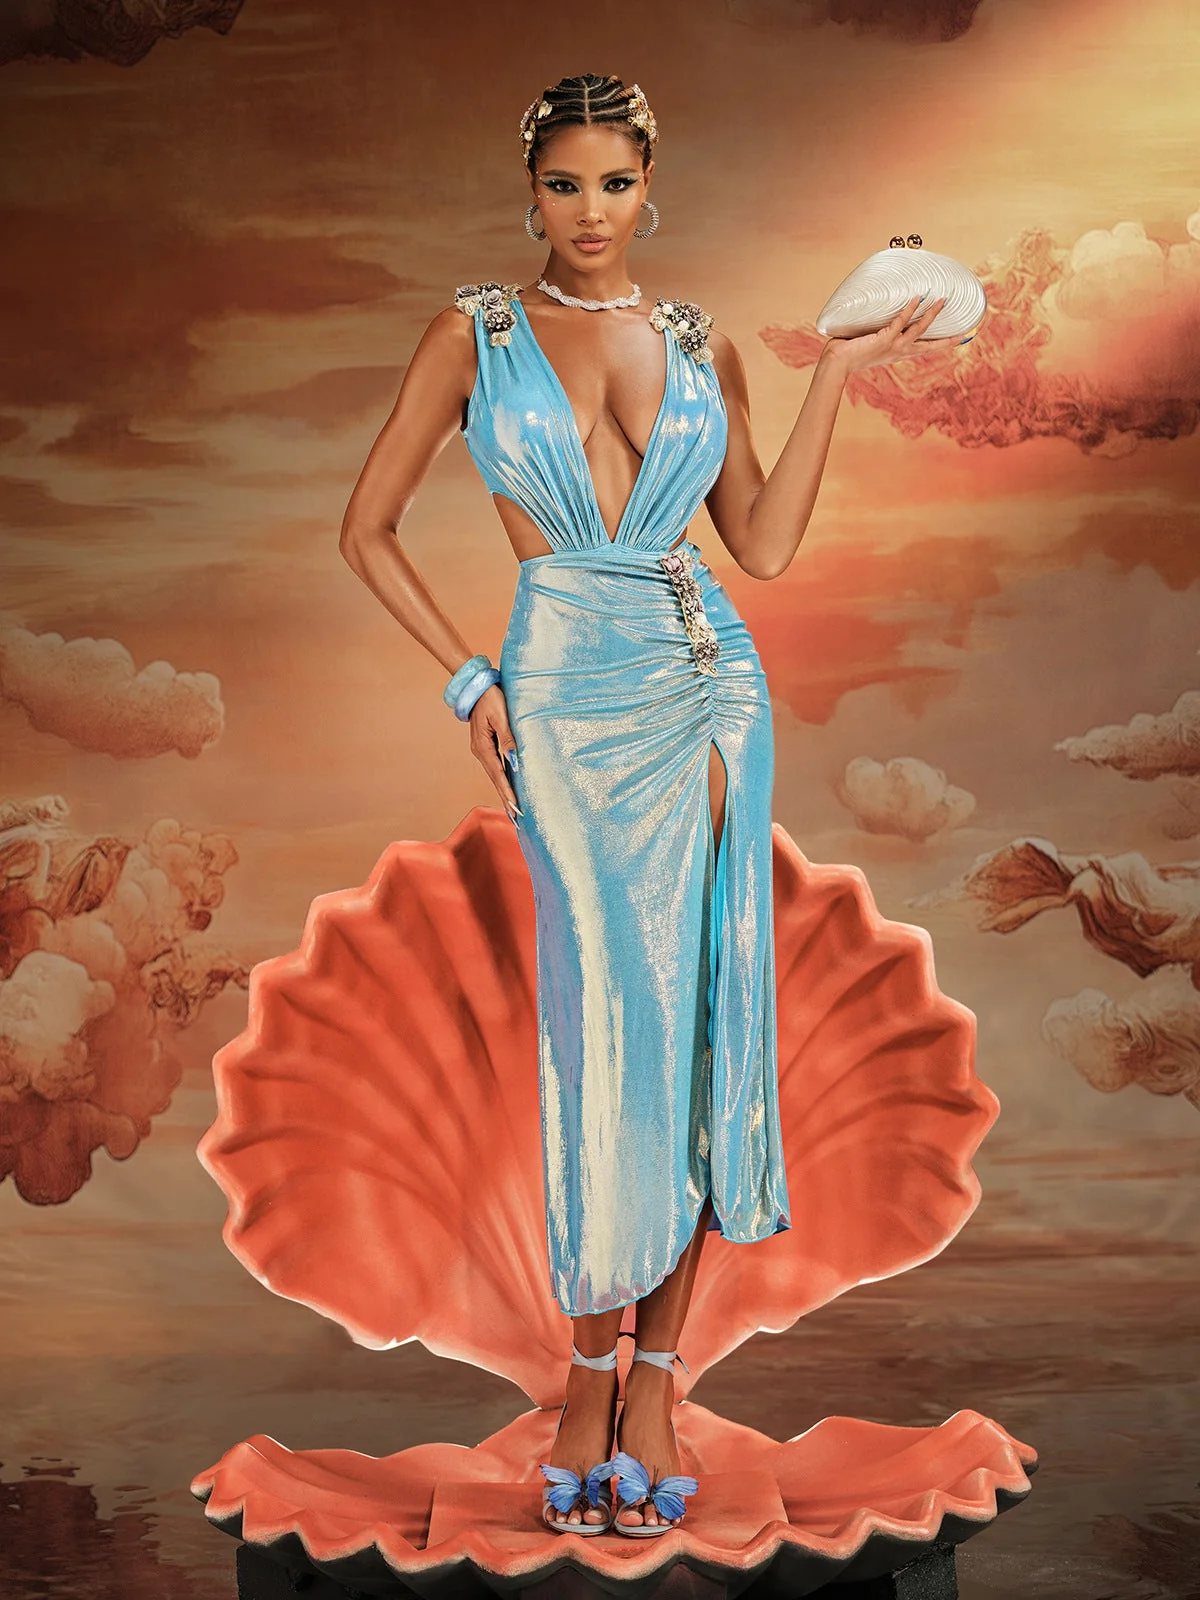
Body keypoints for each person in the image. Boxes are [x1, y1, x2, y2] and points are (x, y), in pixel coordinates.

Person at [338, 72, 960, 1538]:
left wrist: (835, 376)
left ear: (649, 189)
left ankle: (657, 1384)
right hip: (563, 694)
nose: (591, 211)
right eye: (565, 185)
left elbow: (764, 545)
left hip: (708, 687)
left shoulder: (697, 344)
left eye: (615, 184)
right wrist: (468, 682)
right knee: (602, 1034)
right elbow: (365, 529)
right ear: (531, 193)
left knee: (696, 1025)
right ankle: (583, 1376)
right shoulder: (475, 333)